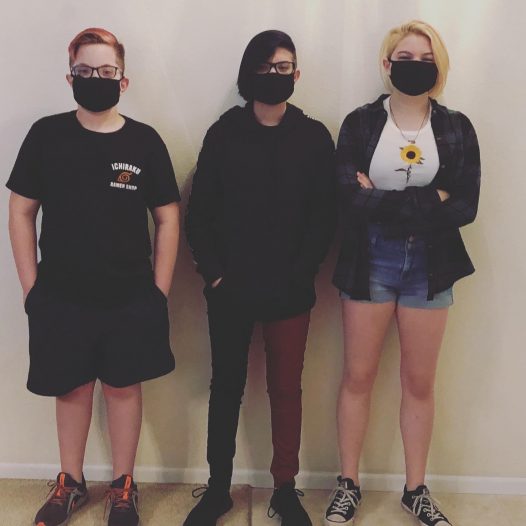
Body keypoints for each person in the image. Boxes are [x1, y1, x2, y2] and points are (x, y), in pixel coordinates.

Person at [7, 28, 180, 526]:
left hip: (131, 295)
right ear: (70, 78)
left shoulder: (145, 141)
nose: (95, 79)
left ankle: (123, 487)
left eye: (106, 71)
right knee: (72, 389)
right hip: (61, 294)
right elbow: (20, 212)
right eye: (84, 71)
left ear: (123, 80)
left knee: (123, 388)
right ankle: (71, 482)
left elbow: (168, 217)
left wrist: (159, 292)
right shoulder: (46, 135)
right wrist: (31, 290)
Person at [325, 20, 480, 526]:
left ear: (440, 66)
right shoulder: (359, 123)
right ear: (386, 63)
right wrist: (430, 198)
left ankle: (415, 490)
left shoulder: (457, 127)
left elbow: (465, 206)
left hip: (431, 265)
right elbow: (349, 199)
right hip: (369, 260)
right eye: (405, 58)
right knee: (358, 376)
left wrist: (383, 199)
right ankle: (348, 484)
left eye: (426, 59)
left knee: (419, 382)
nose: (416, 66)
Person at [184, 29, 335, 526]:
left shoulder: (314, 137)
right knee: (226, 387)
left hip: (290, 290)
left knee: (286, 390)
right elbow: (199, 212)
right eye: (266, 67)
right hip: (230, 290)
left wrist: (303, 273)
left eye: (284, 66)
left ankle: (285, 491)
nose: (275, 74)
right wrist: (215, 276)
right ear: (249, 73)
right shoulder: (224, 133)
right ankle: (218, 490)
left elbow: (324, 217)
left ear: (297, 74)